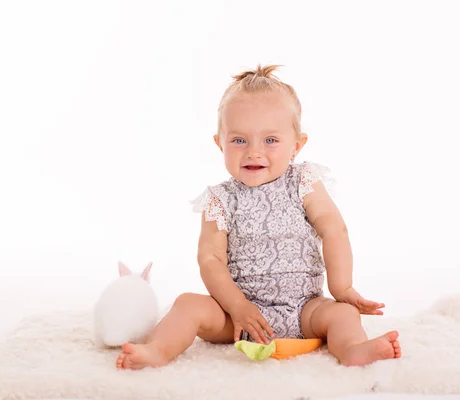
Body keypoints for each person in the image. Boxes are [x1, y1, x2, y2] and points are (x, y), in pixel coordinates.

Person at [116, 64, 402, 370]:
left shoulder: (304, 182)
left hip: (305, 309)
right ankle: (158, 351)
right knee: (187, 304)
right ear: (219, 143)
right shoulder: (220, 199)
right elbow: (210, 259)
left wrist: (342, 289)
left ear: (296, 145)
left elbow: (335, 231)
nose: (254, 152)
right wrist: (237, 307)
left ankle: (353, 350)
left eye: (270, 140)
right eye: (239, 141)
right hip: (239, 317)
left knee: (343, 314)